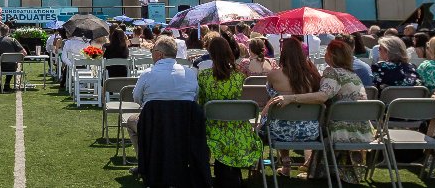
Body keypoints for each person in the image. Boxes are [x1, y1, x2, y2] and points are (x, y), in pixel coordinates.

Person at [267, 40, 372, 183]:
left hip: (340, 129)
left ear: (333, 56)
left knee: (307, 120)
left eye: (327, 52)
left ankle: (303, 163)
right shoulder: (351, 74)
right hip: (362, 130)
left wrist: (291, 98)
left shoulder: (332, 72)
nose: (325, 55)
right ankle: (308, 163)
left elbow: (322, 96)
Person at [122, 36, 198, 173]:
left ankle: (144, 163)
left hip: (154, 125)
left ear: (159, 54)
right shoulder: (190, 74)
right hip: (183, 124)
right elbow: (194, 98)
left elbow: (137, 98)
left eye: (153, 50)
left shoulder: (147, 74)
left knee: (131, 121)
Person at [195, 31, 262, 187]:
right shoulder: (240, 76)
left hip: (213, 128)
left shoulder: (204, 76)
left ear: (210, 53)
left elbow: (202, 103)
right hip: (239, 127)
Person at [263, 37, 322, 177]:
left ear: (283, 54)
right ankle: (307, 162)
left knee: (276, 118)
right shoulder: (313, 74)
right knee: (280, 116)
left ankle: (285, 162)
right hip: (310, 131)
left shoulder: (274, 75)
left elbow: (272, 98)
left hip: (280, 132)